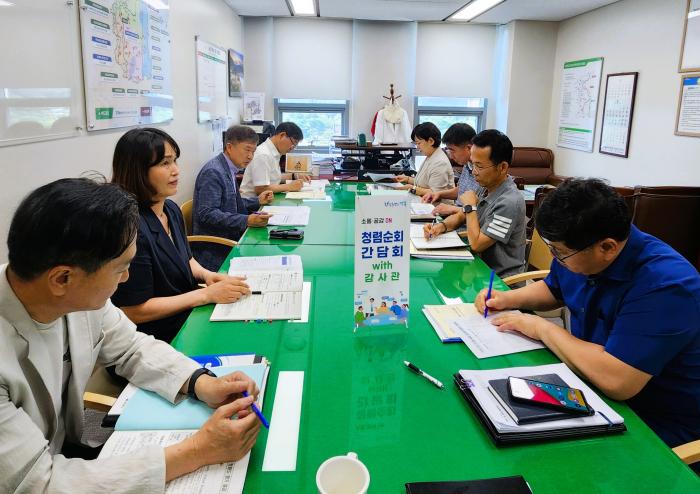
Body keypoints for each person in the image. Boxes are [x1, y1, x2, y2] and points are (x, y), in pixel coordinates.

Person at [0, 178, 261, 492]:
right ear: (62, 278)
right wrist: (199, 450)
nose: (126, 278)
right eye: (120, 268)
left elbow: (130, 348)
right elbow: (40, 485)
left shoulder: (71, 295)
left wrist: (201, 383)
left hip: (64, 446)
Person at [475, 178, 700, 449]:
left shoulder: (666, 285)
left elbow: (618, 380)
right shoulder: (584, 251)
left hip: (656, 427)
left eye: (560, 253)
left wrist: (542, 328)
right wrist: (506, 299)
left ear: (607, 247)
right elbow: (554, 289)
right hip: (589, 389)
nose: (555, 259)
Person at [110, 128, 250, 343]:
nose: (175, 170)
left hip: (188, 313)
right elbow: (133, 310)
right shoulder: (129, 227)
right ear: (137, 169)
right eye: (164, 163)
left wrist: (207, 275)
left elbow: (187, 258)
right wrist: (205, 295)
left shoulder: (170, 209)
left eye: (174, 161)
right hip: (157, 336)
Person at [423, 129, 525, 279]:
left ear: (502, 167)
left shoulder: (509, 202)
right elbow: (461, 215)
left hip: (498, 279)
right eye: (473, 164)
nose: (474, 172)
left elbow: (477, 244)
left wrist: (470, 207)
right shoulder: (486, 186)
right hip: (476, 269)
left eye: (480, 166)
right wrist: (441, 227)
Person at [193, 125, 275, 271]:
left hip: (231, 237)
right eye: (247, 150)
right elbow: (207, 214)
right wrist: (246, 220)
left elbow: (230, 203)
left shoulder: (228, 168)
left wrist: (257, 201)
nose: (250, 156)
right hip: (216, 248)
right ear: (230, 147)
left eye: (253, 151)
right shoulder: (213, 172)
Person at [421, 123, 480, 217]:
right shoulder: (467, 165)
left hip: (467, 219)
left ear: (469, 148)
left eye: (453, 150)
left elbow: (481, 211)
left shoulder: (481, 171)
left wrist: (453, 209)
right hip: (457, 216)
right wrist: (438, 194)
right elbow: (460, 191)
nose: (451, 156)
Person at [239, 122, 310, 198]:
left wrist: (295, 176)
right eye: (293, 143)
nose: (292, 148)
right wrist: (290, 186)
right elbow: (260, 189)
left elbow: (273, 178)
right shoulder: (263, 154)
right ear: (282, 135)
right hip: (251, 202)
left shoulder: (274, 152)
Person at [395, 122, 454, 197]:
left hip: (437, 203)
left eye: (419, 143)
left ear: (431, 141)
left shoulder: (440, 163)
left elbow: (435, 193)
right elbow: (424, 182)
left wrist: (412, 188)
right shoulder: (431, 156)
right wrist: (407, 179)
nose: (417, 147)